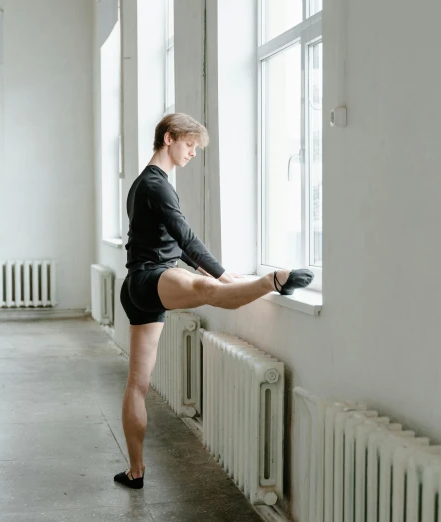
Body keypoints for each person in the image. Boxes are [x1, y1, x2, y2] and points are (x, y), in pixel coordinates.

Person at [114, 113, 313, 489]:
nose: (192, 153)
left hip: (139, 287)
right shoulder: (157, 185)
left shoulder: (143, 184)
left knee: (137, 385)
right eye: (189, 145)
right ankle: (275, 279)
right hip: (150, 277)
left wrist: (200, 269)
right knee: (213, 294)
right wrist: (219, 273)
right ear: (169, 138)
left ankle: (134, 471)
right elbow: (185, 237)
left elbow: (160, 237)